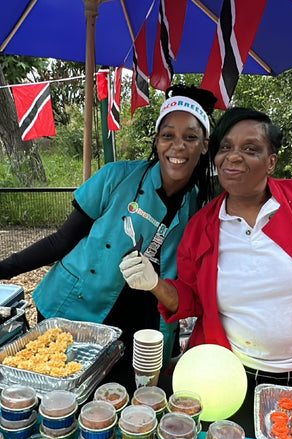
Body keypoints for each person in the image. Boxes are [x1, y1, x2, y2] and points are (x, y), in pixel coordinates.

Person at [120, 107, 292, 436]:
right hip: (229, 378)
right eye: (225, 147)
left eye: (250, 148)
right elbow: (190, 297)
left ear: (271, 161)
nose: (233, 157)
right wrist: (154, 284)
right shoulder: (202, 228)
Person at [0, 84, 217, 396]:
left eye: (190, 137)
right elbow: (60, 242)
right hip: (76, 306)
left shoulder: (201, 206)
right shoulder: (117, 177)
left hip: (141, 323)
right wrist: (4, 269)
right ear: (157, 141)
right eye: (168, 135)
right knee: (60, 393)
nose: (177, 146)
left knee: (124, 398)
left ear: (205, 144)